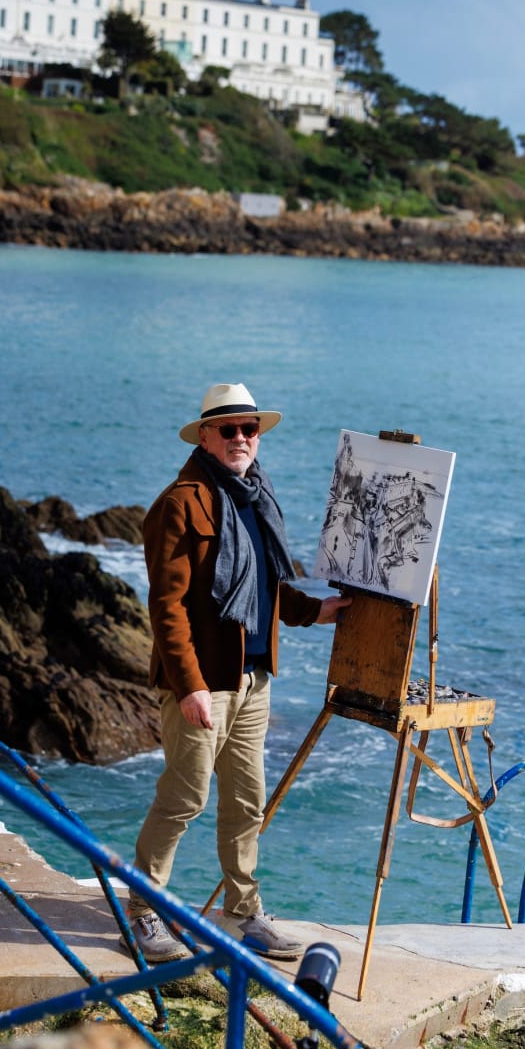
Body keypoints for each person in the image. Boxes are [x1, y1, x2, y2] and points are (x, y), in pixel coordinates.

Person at [126, 382, 350, 962]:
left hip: (254, 679)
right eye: (229, 429)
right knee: (183, 798)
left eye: (250, 429)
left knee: (247, 802)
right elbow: (167, 607)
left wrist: (313, 611)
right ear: (204, 435)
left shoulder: (254, 497)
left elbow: (265, 584)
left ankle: (244, 912)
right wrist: (189, 685)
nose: (242, 438)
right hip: (205, 682)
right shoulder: (179, 504)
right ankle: (145, 913)